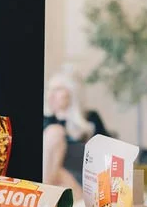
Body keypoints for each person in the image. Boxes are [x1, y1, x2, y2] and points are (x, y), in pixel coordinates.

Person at [42, 68, 109, 198]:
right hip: (58, 184)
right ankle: (44, 197)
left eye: (58, 89)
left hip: (86, 185)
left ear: (72, 92)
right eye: (49, 89)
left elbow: (108, 157)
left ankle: (42, 199)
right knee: (54, 132)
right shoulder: (46, 122)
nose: (51, 94)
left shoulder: (91, 119)